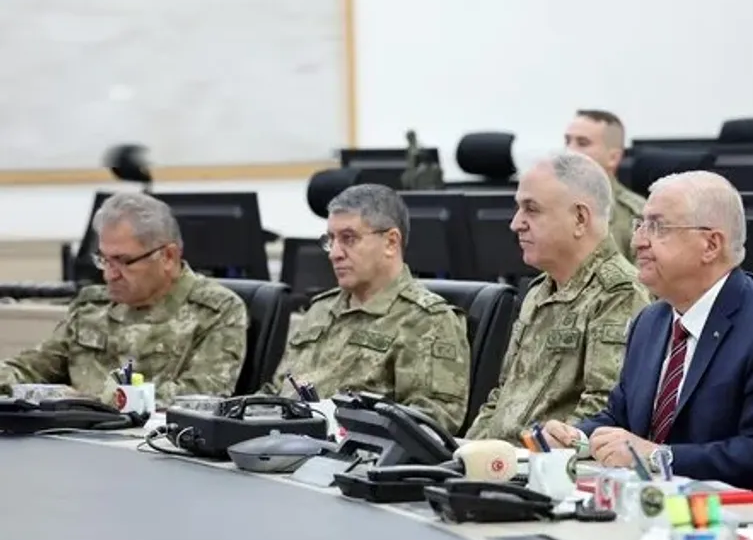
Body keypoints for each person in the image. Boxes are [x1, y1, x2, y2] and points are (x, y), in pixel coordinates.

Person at [541, 171, 753, 501]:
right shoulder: (651, 321)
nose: (638, 241)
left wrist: (657, 457)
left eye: (658, 227)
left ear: (710, 245)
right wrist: (577, 437)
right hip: (657, 508)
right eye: (640, 225)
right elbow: (621, 418)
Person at [466, 153, 650, 442]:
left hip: (549, 463)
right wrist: (466, 453)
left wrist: (525, 455)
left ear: (580, 218)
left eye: (531, 209)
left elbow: (603, 410)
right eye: (518, 209)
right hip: (503, 460)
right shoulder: (539, 291)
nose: (516, 223)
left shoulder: (619, 293)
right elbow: (502, 397)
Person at [0, 192, 247, 406]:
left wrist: (86, 402)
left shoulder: (216, 311)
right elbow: (30, 368)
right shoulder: (92, 307)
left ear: (168, 257)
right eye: (104, 260)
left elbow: (199, 397)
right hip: (71, 439)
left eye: (123, 261)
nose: (109, 274)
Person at [264, 184, 471, 434]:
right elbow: (275, 393)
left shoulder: (427, 320)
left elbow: (431, 422)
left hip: (354, 453)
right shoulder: (319, 310)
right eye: (331, 240)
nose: (334, 253)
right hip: (281, 444)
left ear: (391, 242)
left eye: (348, 239)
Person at [564, 109, 647, 261]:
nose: (569, 151)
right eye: (567, 141)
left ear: (613, 158)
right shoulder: (547, 203)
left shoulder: (637, 214)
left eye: (582, 143)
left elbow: (645, 274)